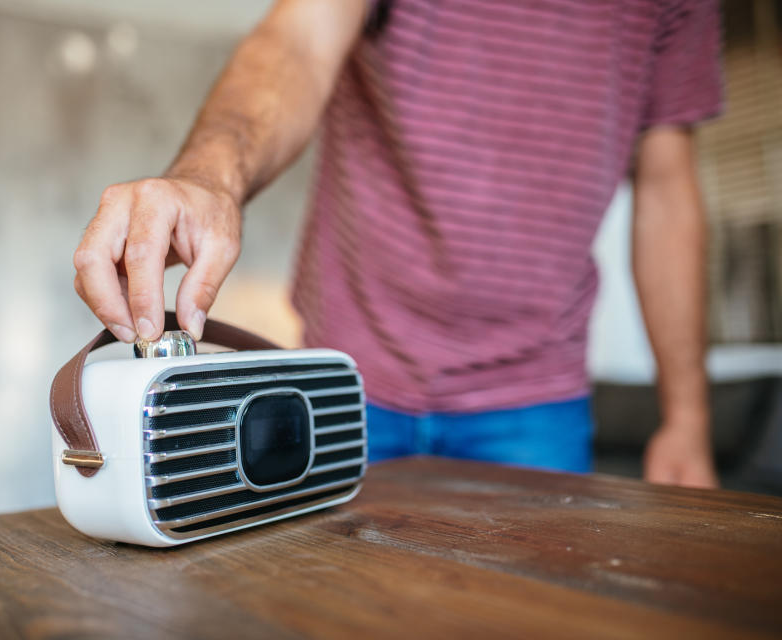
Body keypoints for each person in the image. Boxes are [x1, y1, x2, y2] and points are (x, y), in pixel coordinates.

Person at [72, 0, 721, 488]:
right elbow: (297, 42)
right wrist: (207, 178)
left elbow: (666, 187)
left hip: (538, 401)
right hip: (348, 383)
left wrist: (687, 418)